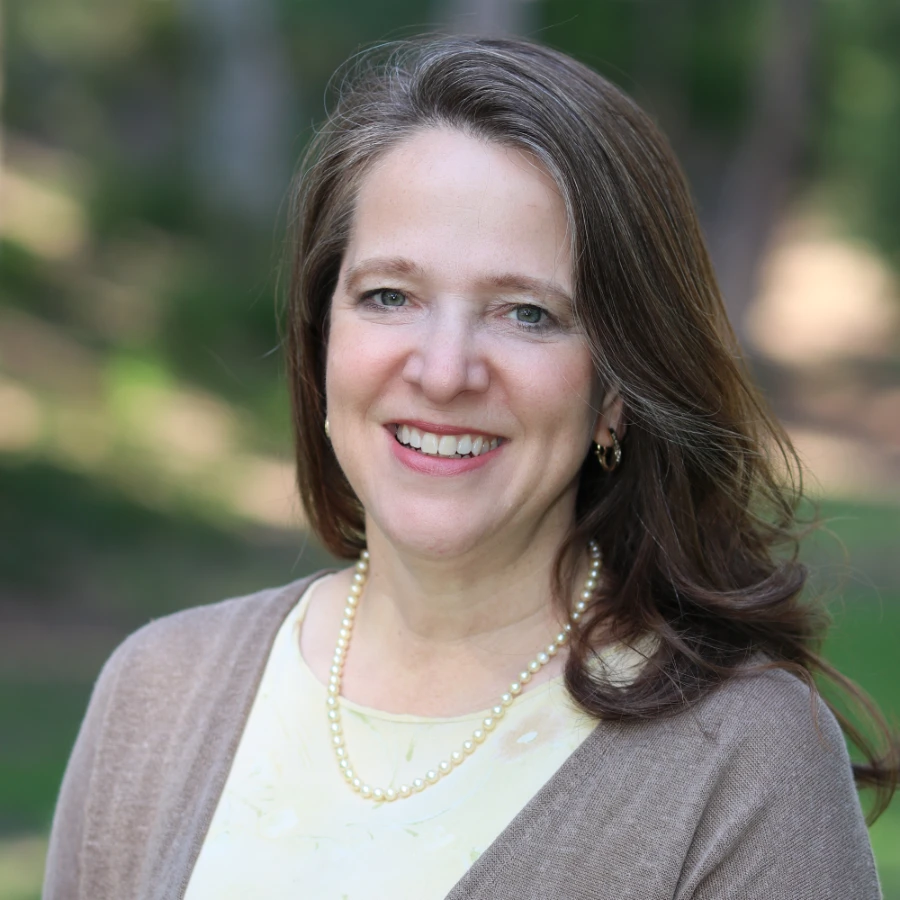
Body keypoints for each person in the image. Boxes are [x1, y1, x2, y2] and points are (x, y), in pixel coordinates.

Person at [43, 35, 896, 900]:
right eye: (389, 297)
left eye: (526, 314)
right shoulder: (156, 695)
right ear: (322, 337)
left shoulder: (744, 768)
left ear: (616, 389)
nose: (445, 371)